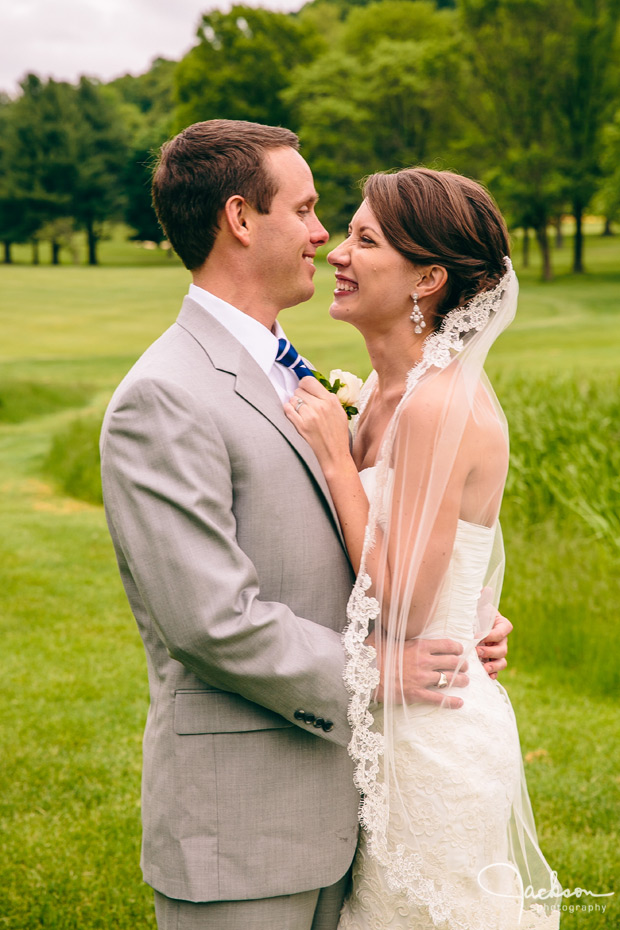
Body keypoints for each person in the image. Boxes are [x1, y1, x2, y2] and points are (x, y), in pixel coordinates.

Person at [100, 121, 511, 930]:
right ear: (241, 219)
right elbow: (212, 622)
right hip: (248, 828)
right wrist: (380, 672)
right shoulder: (165, 397)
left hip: (358, 803)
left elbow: (370, 543)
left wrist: (465, 621)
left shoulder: (297, 367)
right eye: (310, 209)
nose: (326, 240)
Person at [285, 168, 561, 929]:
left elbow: (402, 600)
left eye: (365, 239)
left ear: (428, 278)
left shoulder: (439, 404)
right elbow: (453, 563)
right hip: (389, 713)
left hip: (431, 739)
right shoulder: (379, 392)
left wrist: (337, 461)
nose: (338, 252)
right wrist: (478, 620)